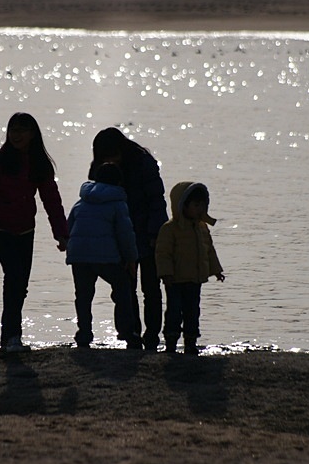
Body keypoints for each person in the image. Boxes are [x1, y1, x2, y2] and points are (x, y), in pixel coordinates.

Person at [0, 112, 69, 353]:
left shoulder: (39, 163)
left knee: (21, 283)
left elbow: (51, 200)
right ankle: (12, 337)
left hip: (25, 229)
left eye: (22, 130)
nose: (16, 135)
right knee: (13, 275)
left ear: (33, 134)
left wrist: (61, 233)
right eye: (13, 130)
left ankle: (10, 337)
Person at [88, 127, 168, 351]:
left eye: (114, 154)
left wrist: (155, 233)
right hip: (120, 238)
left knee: (151, 289)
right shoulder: (101, 169)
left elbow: (156, 201)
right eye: (106, 156)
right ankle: (131, 334)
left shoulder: (143, 163)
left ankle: (152, 336)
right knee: (125, 289)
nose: (111, 160)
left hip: (147, 235)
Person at [65, 163, 140, 349]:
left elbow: (69, 226)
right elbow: (125, 234)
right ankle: (127, 332)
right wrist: (131, 258)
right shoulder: (118, 204)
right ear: (119, 182)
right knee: (122, 289)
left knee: (83, 295)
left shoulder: (81, 201)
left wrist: (66, 244)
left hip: (79, 255)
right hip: (106, 257)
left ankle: (83, 334)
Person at [155, 181, 225, 355]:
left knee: (192, 312)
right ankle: (171, 342)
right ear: (183, 206)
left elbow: (209, 250)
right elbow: (163, 253)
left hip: (195, 279)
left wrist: (216, 270)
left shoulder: (202, 228)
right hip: (175, 280)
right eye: (196, 205)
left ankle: (191, 342)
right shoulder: (170, 229)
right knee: (174, 312)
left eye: (203, 205)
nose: (200, 209)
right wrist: (166, 274)